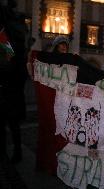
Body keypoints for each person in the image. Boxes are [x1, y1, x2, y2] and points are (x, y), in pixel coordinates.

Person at [0, 0, 28, 163]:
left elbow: (7, 61)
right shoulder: (15, 35)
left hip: (7, 87)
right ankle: (15, 151)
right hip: (14, 87)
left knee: (7, 122)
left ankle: (12, 152)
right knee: (12, 122)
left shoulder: (5, 36)